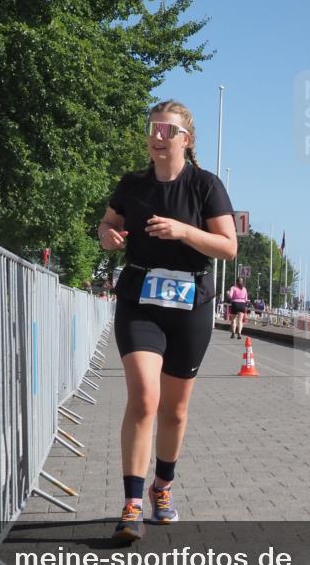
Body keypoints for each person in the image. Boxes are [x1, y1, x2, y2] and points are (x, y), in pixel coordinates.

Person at [97, 100, 236, 541]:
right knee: (144, 397)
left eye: (168, 130)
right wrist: (109, 237)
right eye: (154, 128)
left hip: (191, 303)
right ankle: (131, 504)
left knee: (174, 411)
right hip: (140, 299)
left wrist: (182, 232)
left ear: (186, 140)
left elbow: (228, 246)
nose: (159, 136)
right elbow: (107, 225)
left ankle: (163, 486)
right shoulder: (133, 184)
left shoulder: (205, 186)